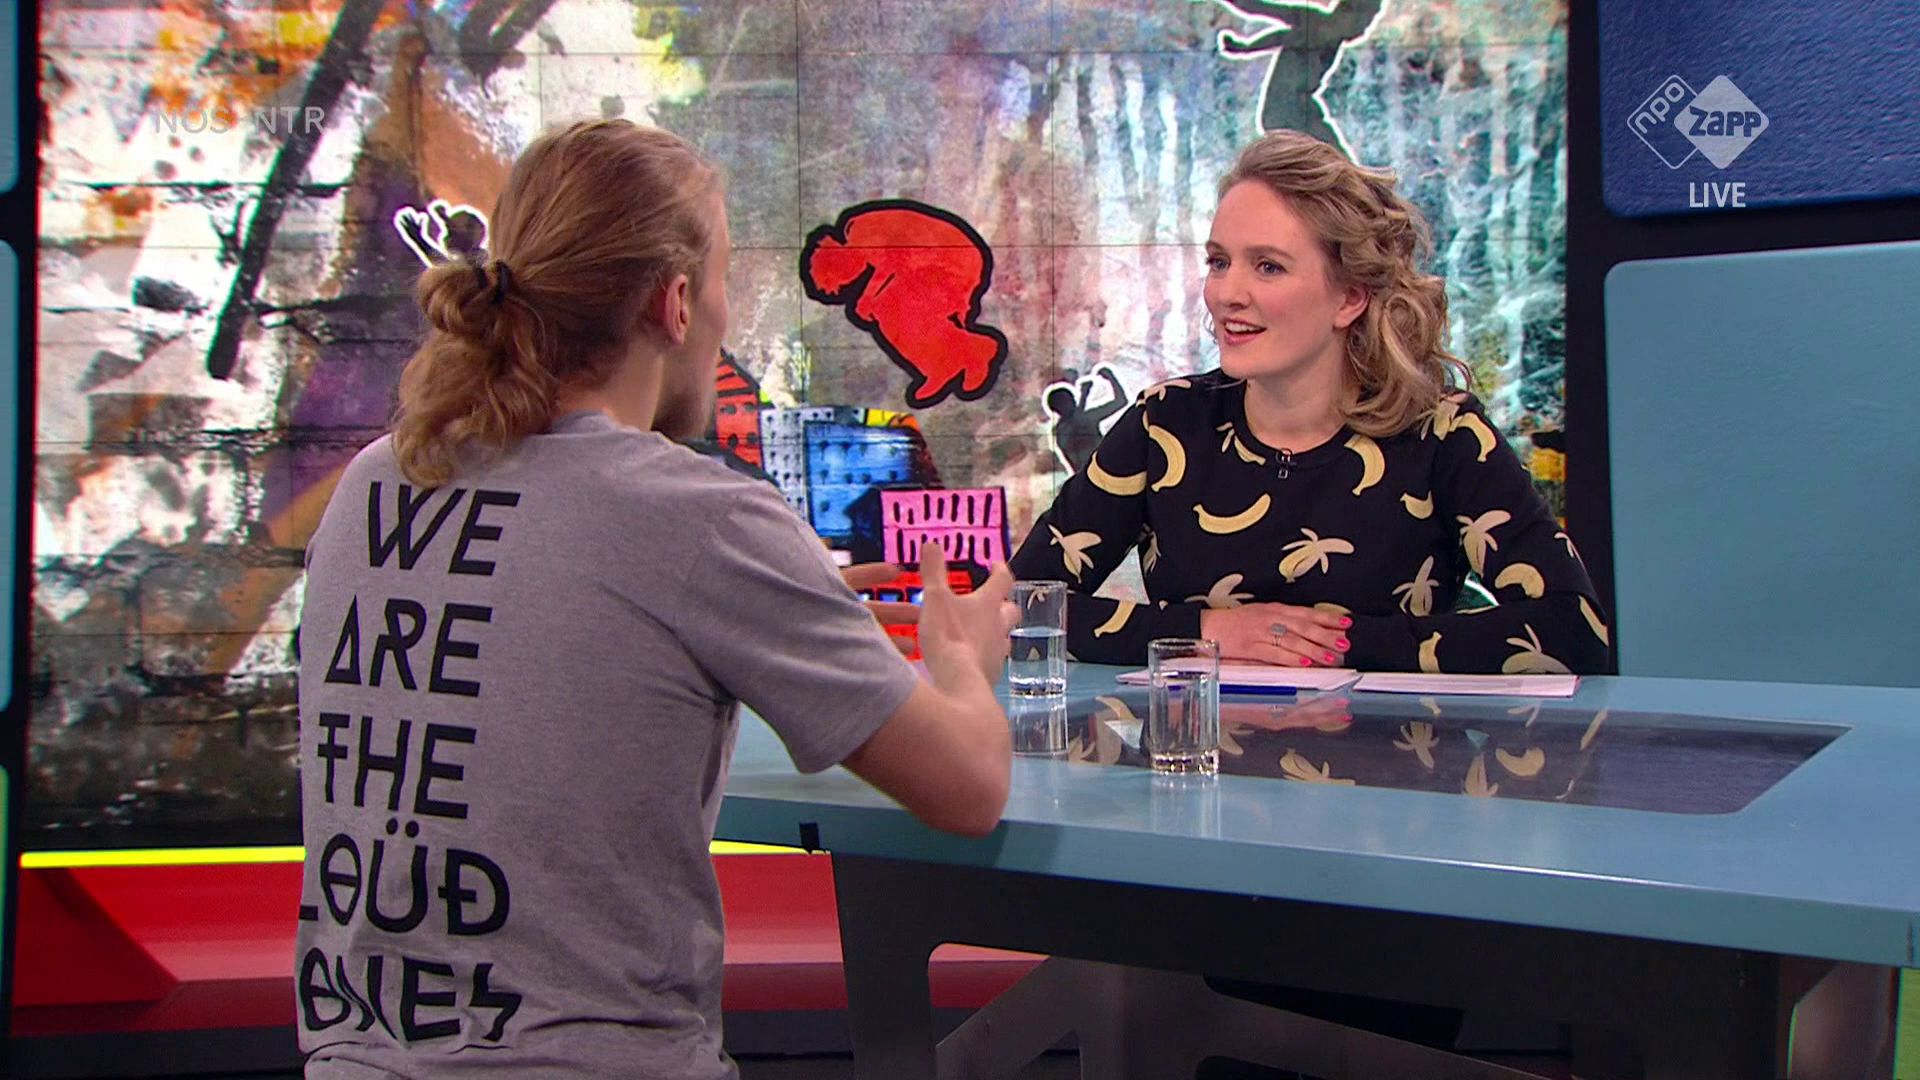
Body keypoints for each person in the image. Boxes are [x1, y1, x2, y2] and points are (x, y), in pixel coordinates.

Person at [294, 119, 1016, 1079]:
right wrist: (963, 658)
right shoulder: (697, 518)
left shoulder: (379, 479)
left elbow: (549, 626)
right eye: (723, 281)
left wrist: (772, 598)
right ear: (674, 304)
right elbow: (969, 789)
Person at [1011, 130, 1610, 676]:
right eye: (1219, 262)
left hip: (1388, 759)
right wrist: (1207, 632)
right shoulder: (1164, 423)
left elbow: (1572, 631)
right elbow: (1015, 607)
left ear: (1349, 298)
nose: (1227, 293)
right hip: (1197, 756)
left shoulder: (1441, 434)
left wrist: (1333, 646)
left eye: (1268, 266)